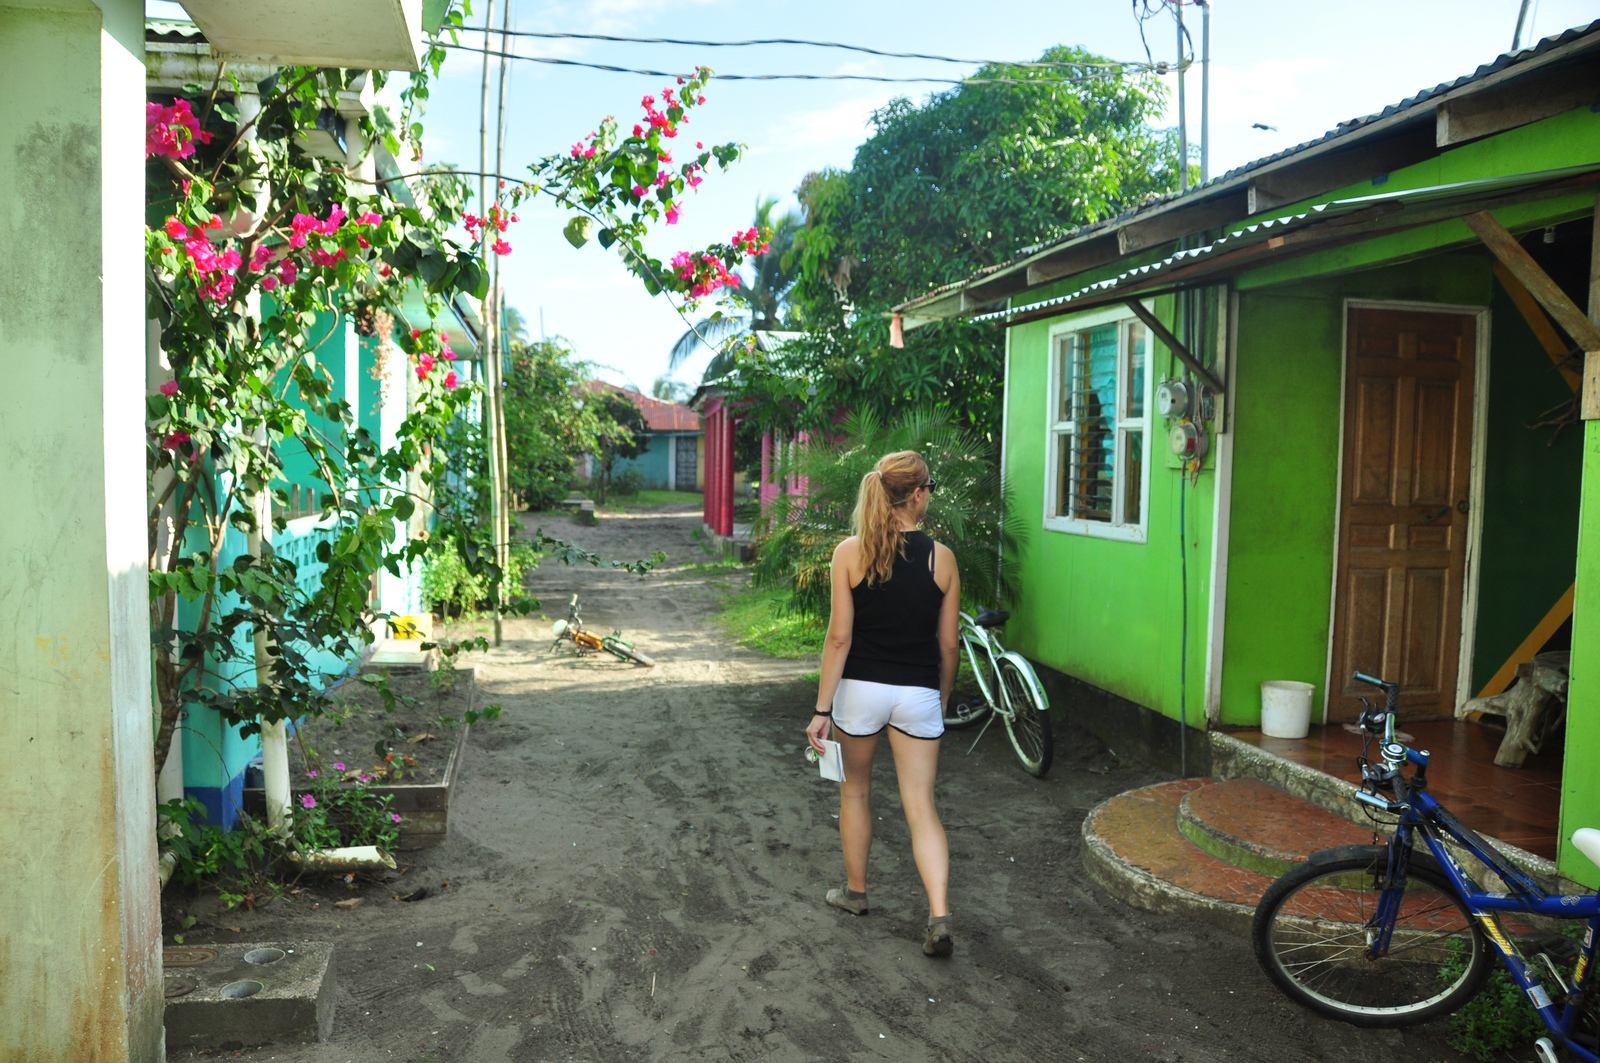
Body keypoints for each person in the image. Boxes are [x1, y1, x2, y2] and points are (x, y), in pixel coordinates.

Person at [805, 449, 960, 958]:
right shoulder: (942, 558)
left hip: (860, 693)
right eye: (929, 489)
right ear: (916, 495)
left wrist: (822, 709)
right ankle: (938, 915)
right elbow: (948, 644)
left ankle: (855, 893)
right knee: (922, 807)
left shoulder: (850, 552)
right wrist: (942, 694)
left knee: (854, 794)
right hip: (916, 694)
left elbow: (838, 638)